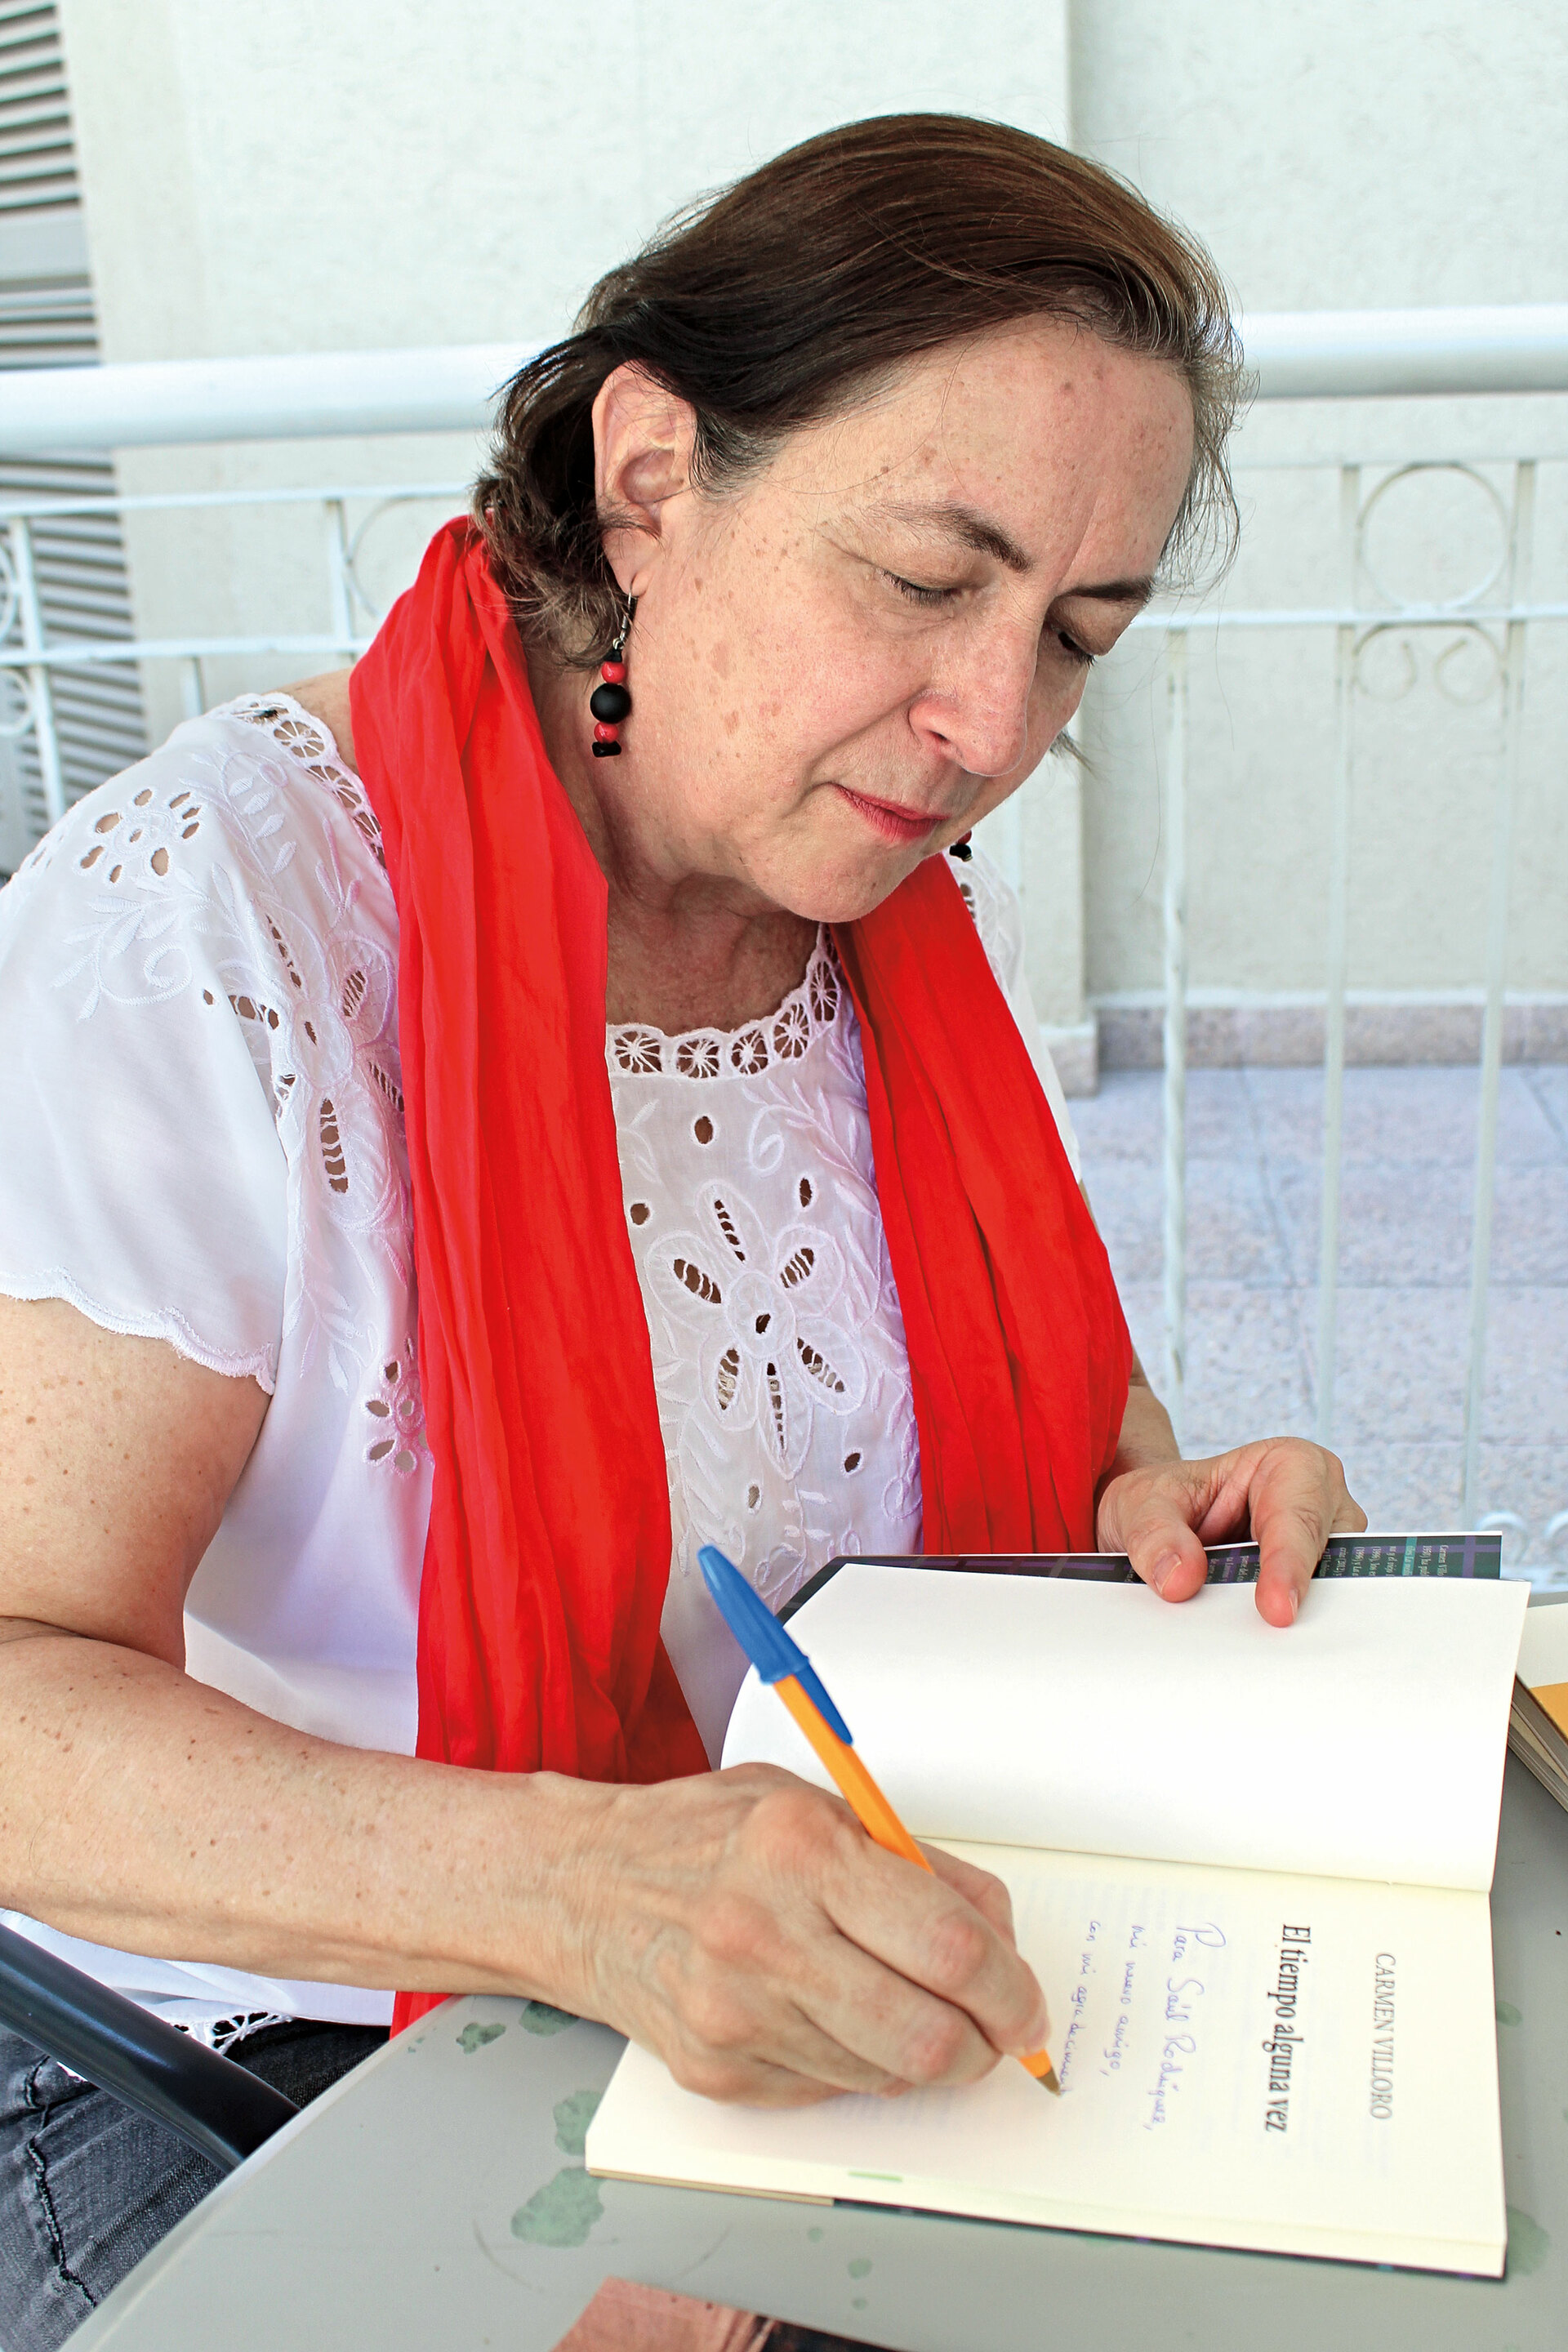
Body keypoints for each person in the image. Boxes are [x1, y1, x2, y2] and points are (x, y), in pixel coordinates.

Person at [0, 114, 1362, 2346]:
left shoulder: (894, 907)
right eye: (923, 579)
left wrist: (1156, 1496)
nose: (991, 726)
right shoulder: (219, 929)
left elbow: (1009, 1389)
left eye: (1075, 637)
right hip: (246, 2060)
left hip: (793, 1959)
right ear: (650, 477)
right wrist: (585, 1896)